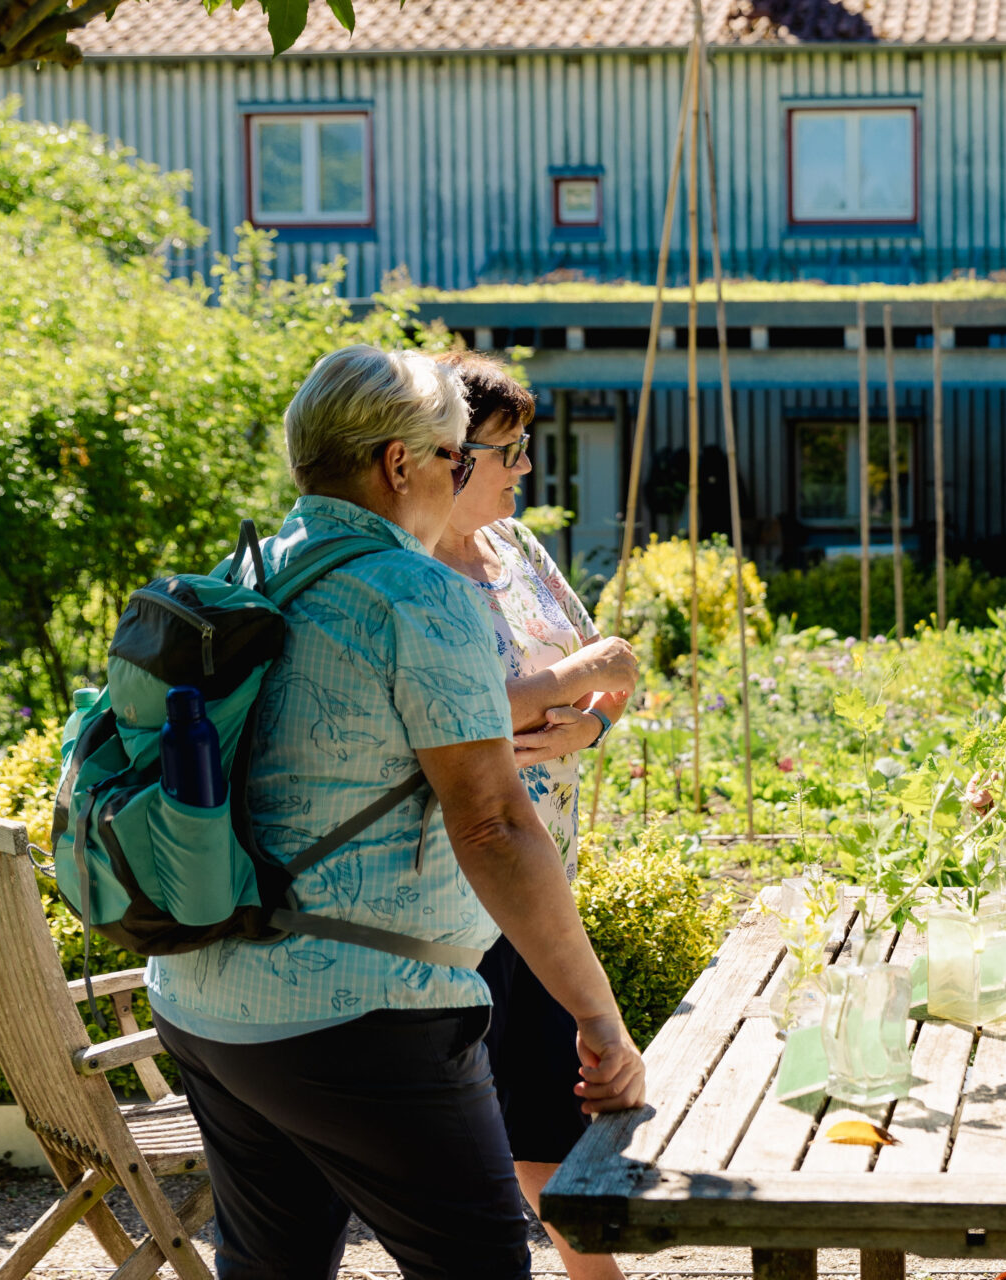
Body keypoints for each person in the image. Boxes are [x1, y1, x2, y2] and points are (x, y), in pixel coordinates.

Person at [147, 345, 645, 1280]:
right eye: (460, 458)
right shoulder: (419, 595)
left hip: (206, 1001)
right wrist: (600, 1021)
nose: (465, 476)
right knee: (479, 1264)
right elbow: (493, 825)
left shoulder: (248, 570)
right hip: (357, 1015)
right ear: (398, 464)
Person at [430, 351, 638, 1280]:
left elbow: (618, 666)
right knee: (543, 1108)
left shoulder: (518, 552)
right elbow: (469, 707)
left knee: (541, 1104)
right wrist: (579, 675)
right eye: (508, 452)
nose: (524, 470)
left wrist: (588, 720)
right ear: (446, 456)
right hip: (467, 879)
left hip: (543, 866)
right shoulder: (414, 571)